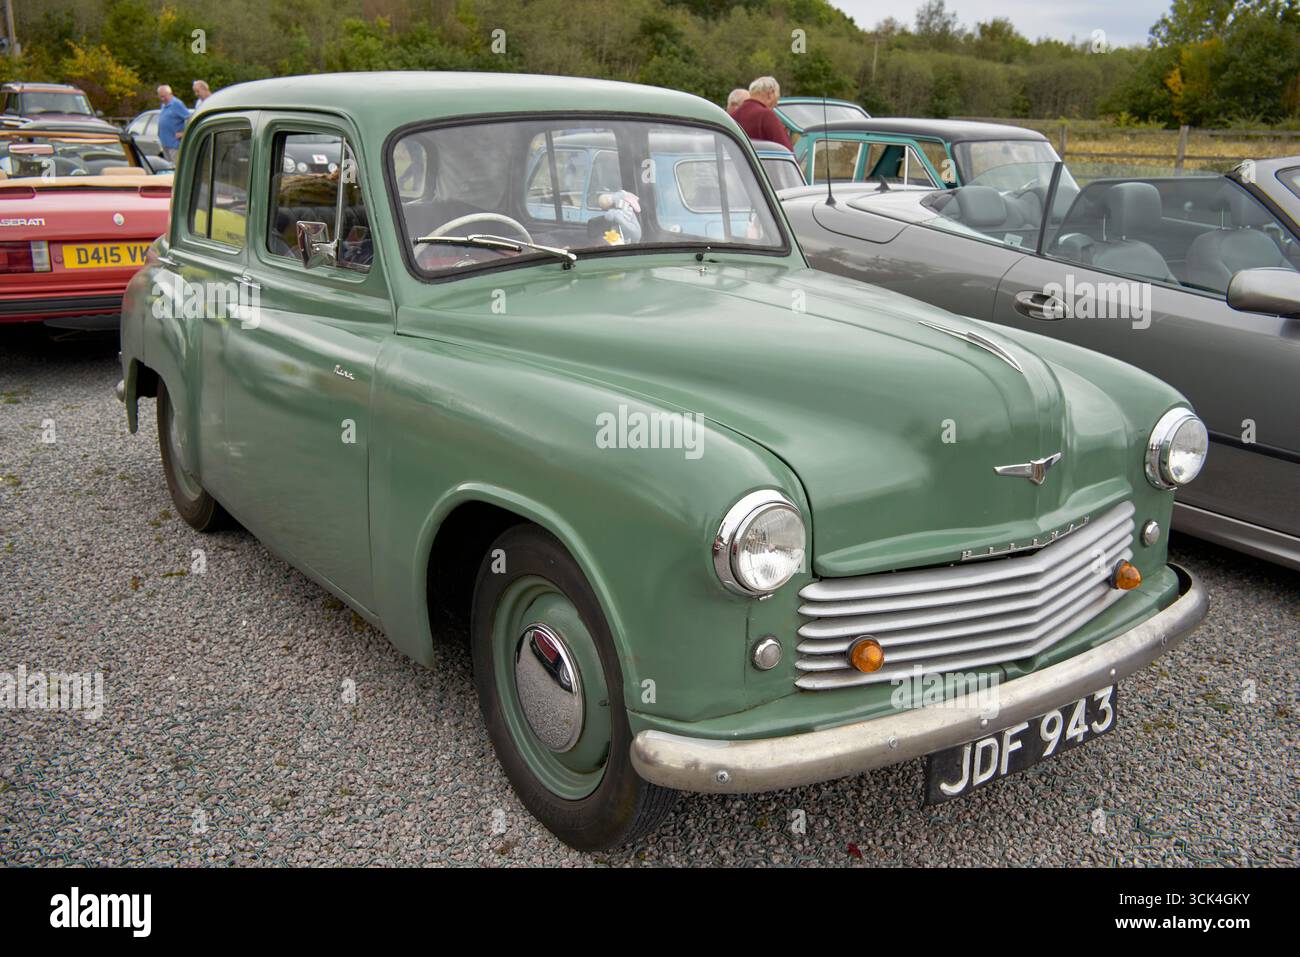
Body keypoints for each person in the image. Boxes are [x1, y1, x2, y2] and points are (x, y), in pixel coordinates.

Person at [732, 76, 792, 149]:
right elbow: (787, 151)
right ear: (770, 94)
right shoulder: (767, 116)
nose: (776, 104)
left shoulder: (733, 116)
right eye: (777, 98)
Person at [157, 85, 191, 162]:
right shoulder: (163, 105)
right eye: (160, 97)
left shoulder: (177, 104)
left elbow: (189, 118)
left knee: (175, 167)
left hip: (174, 144)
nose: (162, 99)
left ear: (170, 94)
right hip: (165, 143)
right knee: (168, 167)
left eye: (164, 96)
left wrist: (184, 133)